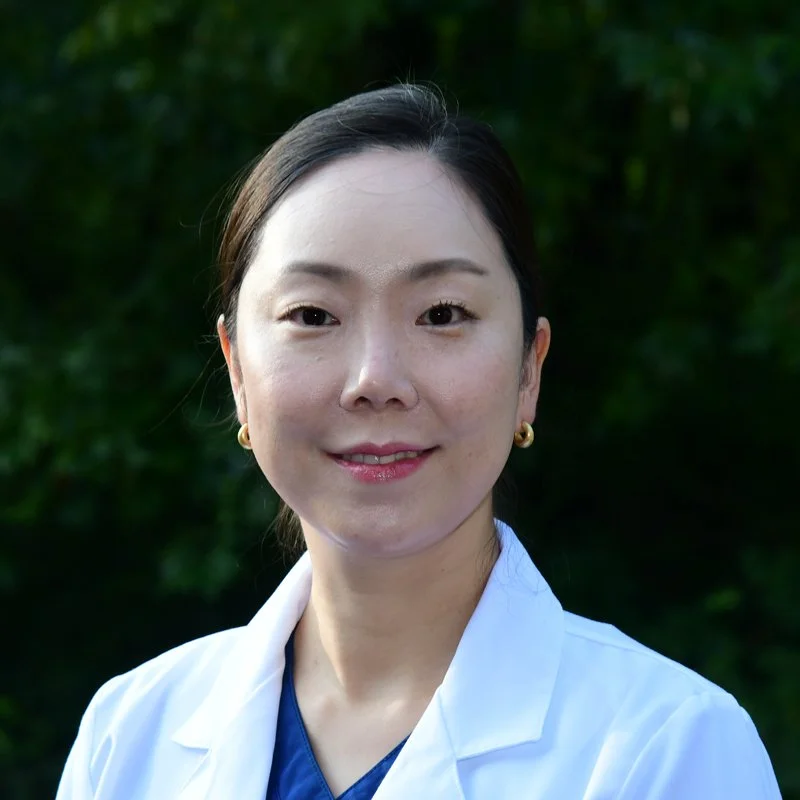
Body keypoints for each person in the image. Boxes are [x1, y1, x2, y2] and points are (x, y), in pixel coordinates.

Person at [56, 84, 781, 799]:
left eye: (441, 312)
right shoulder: (129, 738)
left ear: (529, 369)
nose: (377, 379)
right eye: (312, 314)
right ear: (238, 372)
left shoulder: (670, 746)